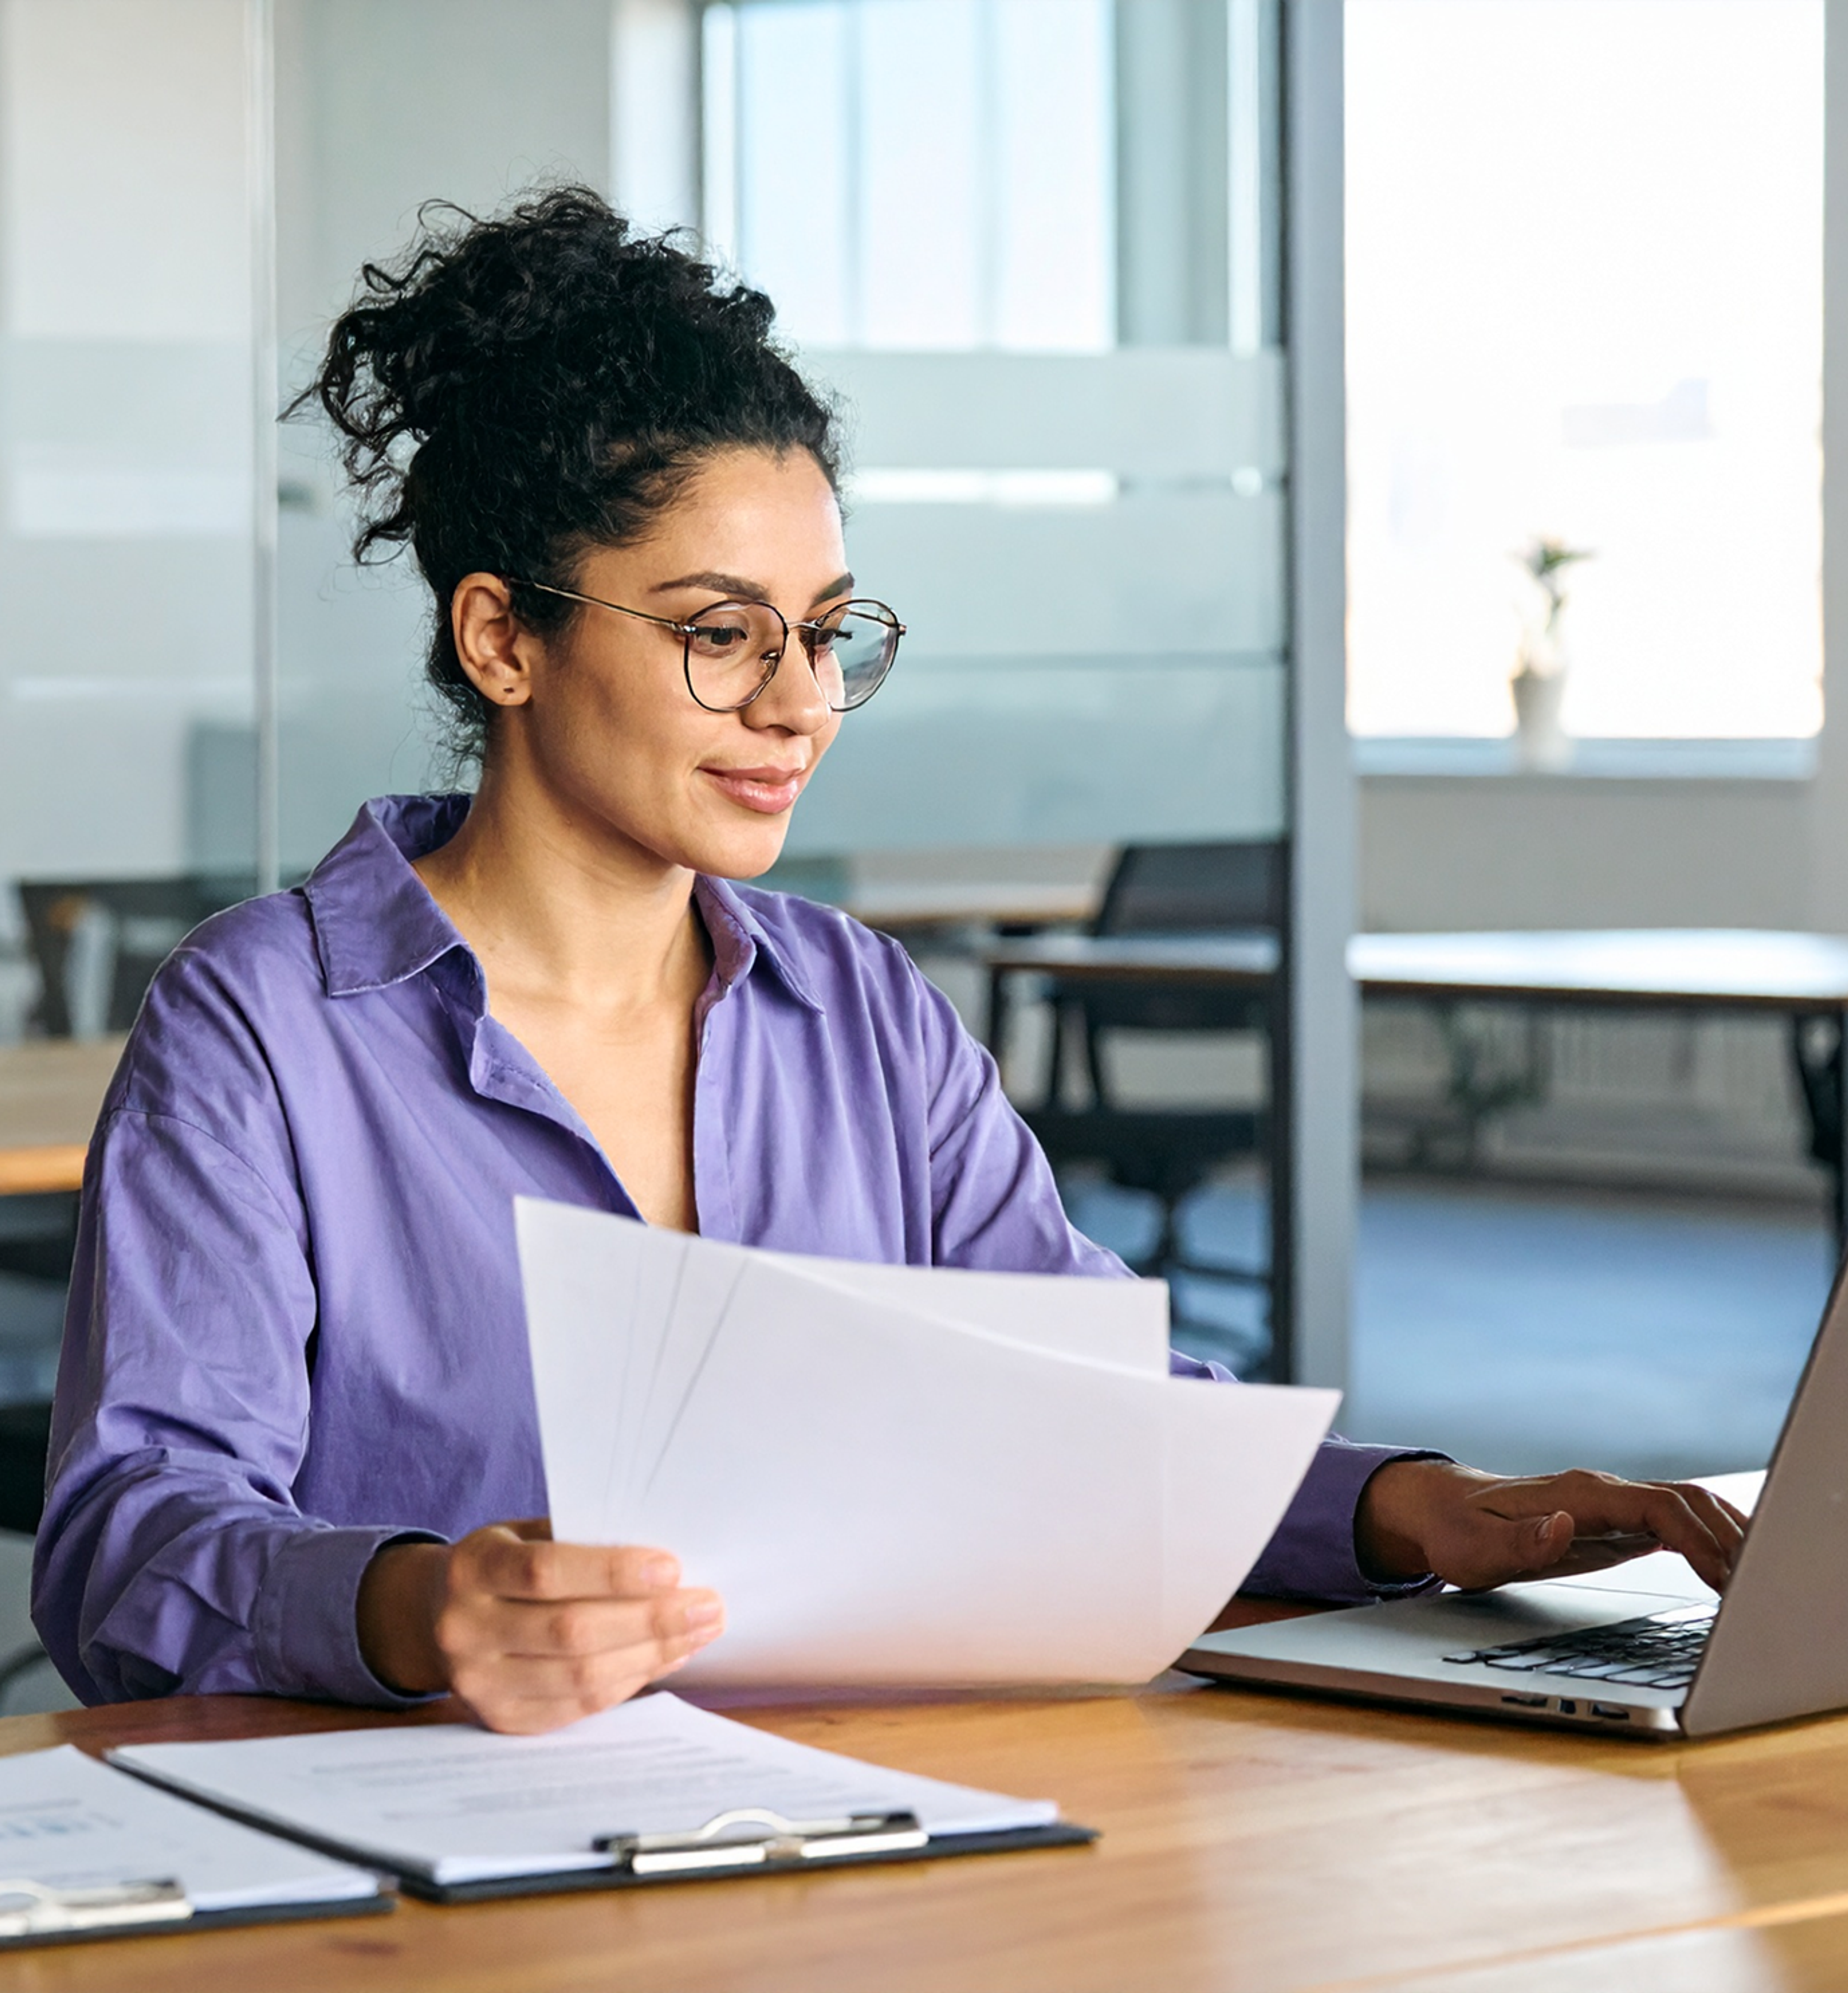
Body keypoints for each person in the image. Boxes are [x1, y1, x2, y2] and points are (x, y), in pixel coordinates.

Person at [32, 191, 1745, 1735]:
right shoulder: (265, 1022)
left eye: (829, 631)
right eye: (722, 634)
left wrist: (1411, 1508)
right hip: (448, 1857)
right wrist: (417, 1607)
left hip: (874, 1802)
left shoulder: (859, 1009)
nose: (801, 701)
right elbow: (128, 1545)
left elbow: (1084, 1404)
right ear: (504, 638)